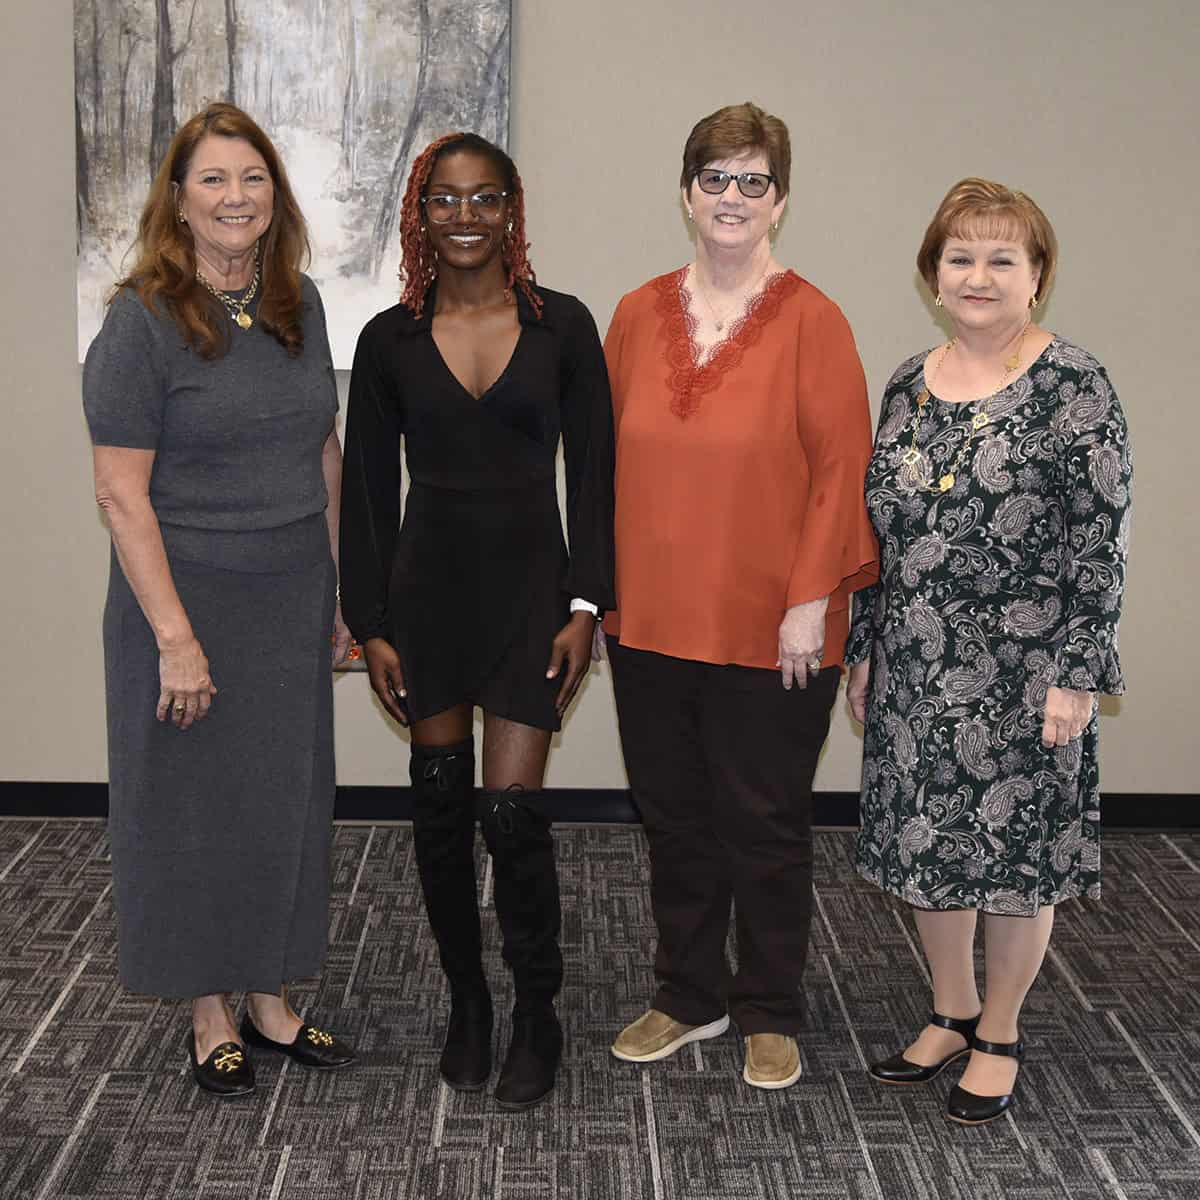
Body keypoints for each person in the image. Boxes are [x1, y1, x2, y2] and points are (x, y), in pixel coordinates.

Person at [601, 102, 878, 1090]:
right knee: (673, 814)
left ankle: (768, 1005)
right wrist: (596, 598)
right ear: (687, 194)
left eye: (752, 181)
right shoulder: (634, 315)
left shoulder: (814, 318)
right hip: (651, 619)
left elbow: (844, 468)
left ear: (781, 202)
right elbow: (599, 470)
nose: (731, 196)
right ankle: (688, 993)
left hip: (776, 625)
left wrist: (813, 599)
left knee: (763, 821)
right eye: (715, 178)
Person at [846, 178, 1132, 1125]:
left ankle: (1000, 1030)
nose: (979, 275)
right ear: (933, 276)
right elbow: (877, 532)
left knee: (1013, 858)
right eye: (960, 257)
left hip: (1027, 676)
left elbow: (1100, 539)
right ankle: (950, 1009)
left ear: (1037, 278)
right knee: (928, 847)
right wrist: (864, 649)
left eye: (1002, 258)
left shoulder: (1074, 385)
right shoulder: (905, 382)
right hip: (916, 670)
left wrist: (1079, 672)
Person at [338, 133, 615, 1110]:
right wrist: (368, 621)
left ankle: (538, 1011)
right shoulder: (388, 341)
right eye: (444, 201)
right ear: (421, 214)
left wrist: (589, 605)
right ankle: (469, 1002)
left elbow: (596, 474)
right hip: (428, 598)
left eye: (483, 199)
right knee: (442, 809)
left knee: (512, 814)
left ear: (512, 211)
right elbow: (368, 496)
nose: (464, 218)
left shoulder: (563, 329)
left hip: (536, 594)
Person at [83, 102, 355, 1098]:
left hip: (290, 596)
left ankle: (273, 997)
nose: (235, 197)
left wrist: (345, 590)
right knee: (192, 809)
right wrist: (175, 640)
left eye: (252, 178)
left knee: (284, 802)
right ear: (179, 200)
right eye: (213, 180)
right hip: (183, 601)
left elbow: (323, 448)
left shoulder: (300, 302)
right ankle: (208, 1011)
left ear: (273, 195)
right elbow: (119, 492)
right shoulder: (140, 321)